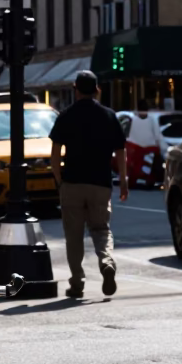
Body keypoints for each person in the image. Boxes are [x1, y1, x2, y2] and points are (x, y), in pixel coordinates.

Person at [48, 71, 127, 299]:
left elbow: (55, 154)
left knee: (73, 237)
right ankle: (106, 262)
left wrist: (59, 180)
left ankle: (77, 283)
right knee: (101, 229)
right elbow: (121, 151)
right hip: (100, 183)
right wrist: (123, 181)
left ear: (76, 89)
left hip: (72, 182)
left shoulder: (66, 115)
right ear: (97, 90)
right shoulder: (109, 116)